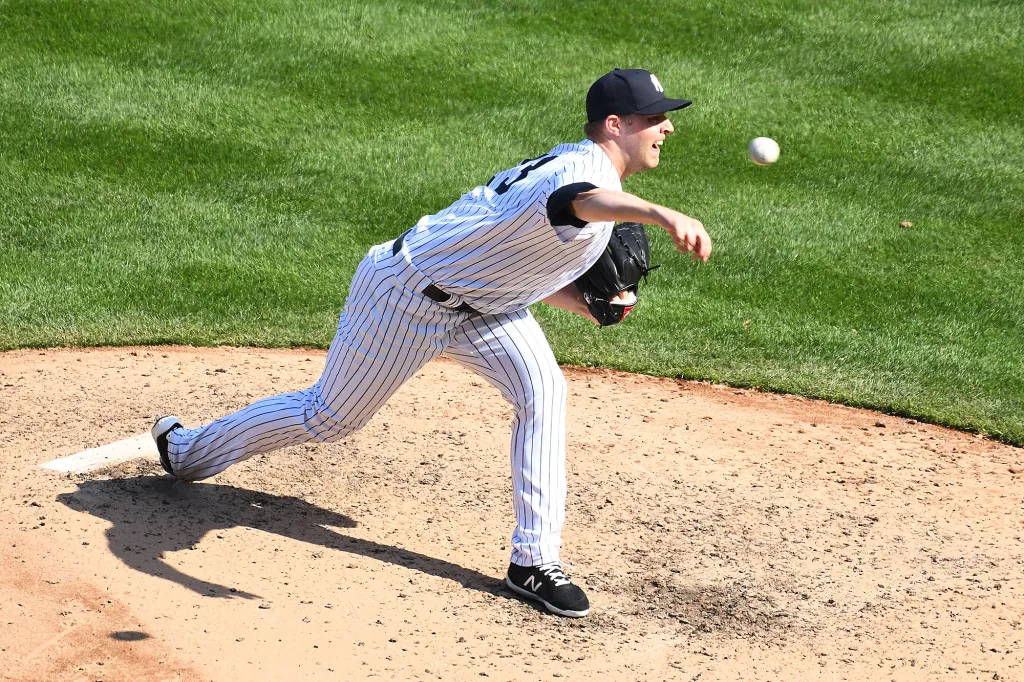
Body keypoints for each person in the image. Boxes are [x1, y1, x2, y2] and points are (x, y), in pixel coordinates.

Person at [152, 68, 712, 618]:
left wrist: (589, 302)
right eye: (654, 118)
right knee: (330, 418)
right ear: (614, 124)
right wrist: (663, 214)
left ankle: (534, 561)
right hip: (406, 295)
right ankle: (186, 451)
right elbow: (579, 201)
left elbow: (516, 263)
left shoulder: (592, 179)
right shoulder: (580, 173)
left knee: (543, 392)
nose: (666, 128)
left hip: (484, 305)